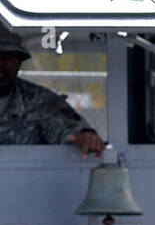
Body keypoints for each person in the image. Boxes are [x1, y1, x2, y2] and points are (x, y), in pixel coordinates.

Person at [0, 25, 104, 155]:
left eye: (8, 56)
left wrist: (86, 137)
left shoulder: (39, 100)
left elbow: (70, 132)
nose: (1, 63)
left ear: (20, 60)